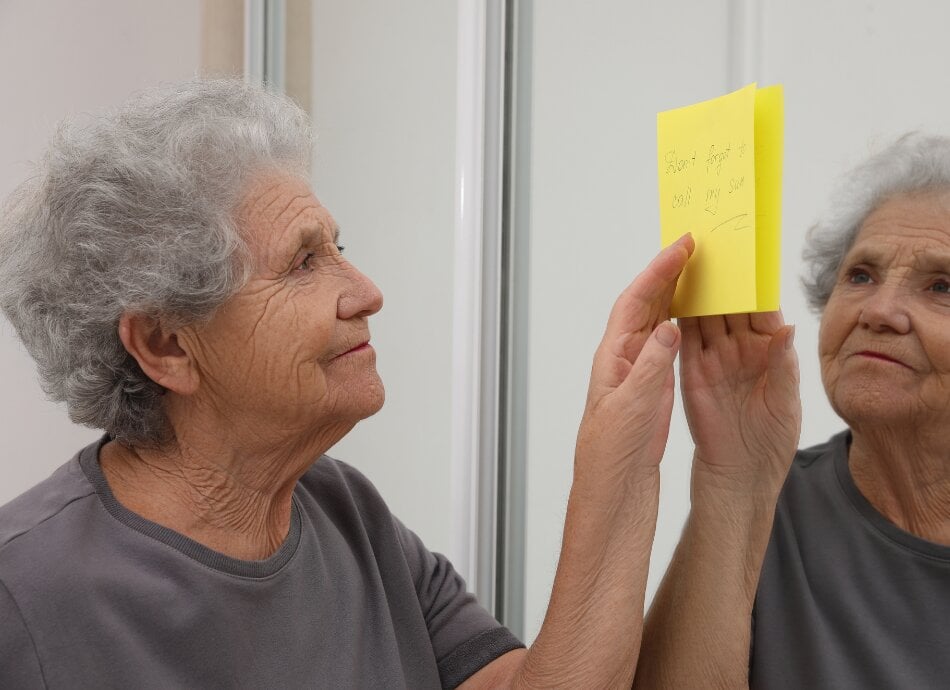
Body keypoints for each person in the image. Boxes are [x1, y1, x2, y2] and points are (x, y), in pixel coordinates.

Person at [0, 78, 707, 688]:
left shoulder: (347, 512)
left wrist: (621, 464)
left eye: (340, 248)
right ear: (166, 345)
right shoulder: (24, 594)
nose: (366, 292)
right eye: (304, 262)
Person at [634, 133, 950, 689]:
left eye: (942, 286)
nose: (879, 311)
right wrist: (732, 483)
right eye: (860, 275)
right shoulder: (766, 499)